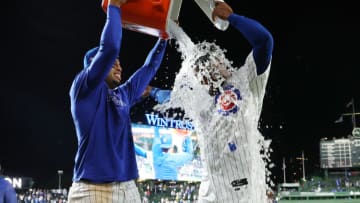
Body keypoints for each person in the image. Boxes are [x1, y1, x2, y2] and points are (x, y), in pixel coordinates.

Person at [155, 1, 274, 202]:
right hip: (209, 191)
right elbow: (170, 98)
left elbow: (264, 42)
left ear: (223, 61)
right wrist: (152, 91)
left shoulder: (247, 81)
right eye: (199, 70)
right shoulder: (200, 100)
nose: (206, 70)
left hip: (242, 191)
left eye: (211, 62)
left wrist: (232, 18)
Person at [67, 0, 168, 202]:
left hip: (127, 187)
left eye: (120, 63)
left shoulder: (122, 95)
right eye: (113, 64)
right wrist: (114, 6)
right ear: (95, 66)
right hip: (92, 188)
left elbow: (148, 69)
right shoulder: (83, 88)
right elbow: (110, 47)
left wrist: (163, 39)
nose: (119, 67)